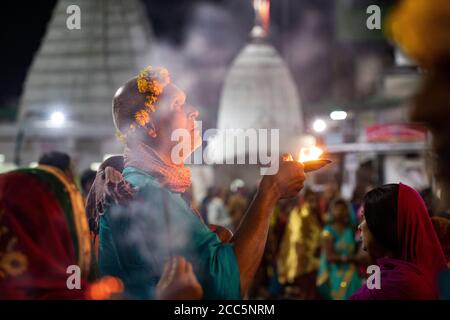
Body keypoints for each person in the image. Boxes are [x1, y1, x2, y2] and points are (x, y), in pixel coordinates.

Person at [95, 66, 306, 299]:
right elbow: (225, 289)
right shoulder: (148, 193)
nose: (193, 111)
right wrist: (271, 190)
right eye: (177, 105)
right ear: (149, 125)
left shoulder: (142, 185)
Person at [351, 183, 447, 300]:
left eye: (365, 218)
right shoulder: (398, 273)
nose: (360, 226)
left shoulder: (395, 286)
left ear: (384, 226)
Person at [277, 189, 322, 299]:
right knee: (305, 292)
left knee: (311, 292)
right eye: (311, 200)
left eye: (315, 200)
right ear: (304, 200)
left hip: (314, 260)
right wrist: (301, 260)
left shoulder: (314, 214)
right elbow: (296, 239)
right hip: (303, 261)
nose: (313, 203)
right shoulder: (299, 213)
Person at [317, 199, 361, 300]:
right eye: (337, 209)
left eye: (343, 209)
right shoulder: (327, 231)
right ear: (332, 211)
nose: (340, 212)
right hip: (336, 272)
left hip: (352, 272)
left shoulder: (350, 229)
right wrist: (352, 259)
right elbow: (329, 257)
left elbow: (357, 250)